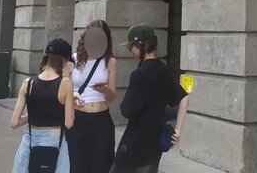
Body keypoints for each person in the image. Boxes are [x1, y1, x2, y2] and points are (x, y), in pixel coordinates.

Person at [110, 24, 190, 173]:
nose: (131, 51)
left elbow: (127, 111)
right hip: (154, 144)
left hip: (134, 144)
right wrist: (178, 130)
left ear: (141, 45)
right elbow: (184, 98)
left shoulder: (139, 75)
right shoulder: (163, 70)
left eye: (132, 47)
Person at [11, 37, 75, 173]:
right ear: (64, 61)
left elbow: (14, 122)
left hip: (29, 140)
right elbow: (69, 123)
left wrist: (33, 114)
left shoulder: (28, 83)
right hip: (54, 138)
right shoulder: (66, 84)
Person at [66, 20, 117, 173]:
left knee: (101, 166)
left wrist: (105, 90)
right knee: (77, 165)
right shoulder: (74, 59)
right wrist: (73, 95)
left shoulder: (110, 61)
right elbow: (63, 89)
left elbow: (112, 96)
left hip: (101, 120)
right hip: (78, 118)